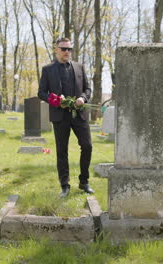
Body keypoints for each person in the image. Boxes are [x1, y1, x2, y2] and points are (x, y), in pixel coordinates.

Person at [38, 37, 94, 198]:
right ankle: (65, 185)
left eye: (69, 49)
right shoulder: (48, 70)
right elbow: (41, 92)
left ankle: (84, 182)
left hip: (79, 114)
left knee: (87, 146)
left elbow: (88, 89)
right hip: (59, 116)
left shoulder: (79, 67)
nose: (67, 52)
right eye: (63, 49)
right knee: (62, 151)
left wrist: (83, 98)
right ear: (56, 50)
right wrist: (56, 101)